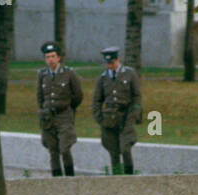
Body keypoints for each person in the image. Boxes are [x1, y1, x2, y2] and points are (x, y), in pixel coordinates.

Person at [92, 46, 142, 174]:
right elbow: (97, 100)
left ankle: (129, 176)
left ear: (118, 59)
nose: (110, 65)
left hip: (127, 116)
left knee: (125, 148)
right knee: (113, 151)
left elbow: (136, 96)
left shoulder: (129, 74)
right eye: (108, 63)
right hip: (109, 118)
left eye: (112, 62)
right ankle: (116, 177)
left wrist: (135, 112)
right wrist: (99, 117)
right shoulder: (102, 78)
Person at [37, 41, 83, 176]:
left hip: (64, 116)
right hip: (48, 117)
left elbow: (78, 96)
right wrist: (43, 110)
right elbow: (40, 96)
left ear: (58, 58)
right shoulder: (42, 74)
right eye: (47, 57)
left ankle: (70, 177)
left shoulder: (69, 73)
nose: (50, 60)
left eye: (52, 56)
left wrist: (68, 108)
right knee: (52, 150)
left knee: (65, 148)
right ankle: (56, 180)